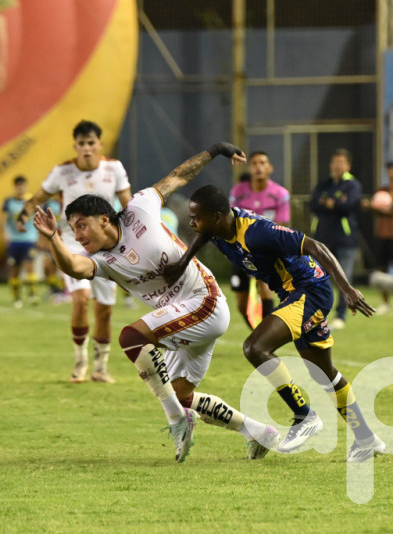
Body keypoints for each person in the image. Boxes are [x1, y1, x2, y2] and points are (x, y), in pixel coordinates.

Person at [32, 142, 280, 463]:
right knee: (182, 396)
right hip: (182, 319)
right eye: (72, 229)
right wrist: (53, 238)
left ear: (105, 219)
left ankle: (177, 420)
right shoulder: (105, 260)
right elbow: (73, 267)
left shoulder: (139, 208)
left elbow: (177, 177)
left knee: (131, 338)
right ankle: (258, 432)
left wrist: (215, 150)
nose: (77, 236)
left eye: (81, 225)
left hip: (204, 301)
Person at [165, 183, 385, 463]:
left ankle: (304, 416)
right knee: (324, 372)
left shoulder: (257, 232)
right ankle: (367, 439)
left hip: (309, 291)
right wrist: (183, 262)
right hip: (294, 293)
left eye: (197, 217)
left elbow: (315, 246)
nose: (192, 222)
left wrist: (348, 289)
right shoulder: (217, 229)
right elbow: (203, 235)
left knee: (254, 348)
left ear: (218, 216)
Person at [17, 120, 131, 384]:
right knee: (80, 300)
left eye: (91, 143)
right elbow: (38, 197)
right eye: (82, 144)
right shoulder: (63, 171)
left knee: (104, 310)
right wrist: (24, 213)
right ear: (75, 146)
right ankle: (80, 360)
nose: (87, 149)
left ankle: (100, 366)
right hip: (72, 244)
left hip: (105, 248)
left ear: (100, 145)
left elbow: (129, 204)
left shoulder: (113, 168)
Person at [229, 151, 290, 329]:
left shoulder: (280, 194)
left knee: (265, 287)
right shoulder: (238, 193)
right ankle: (258, 333)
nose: (258, 167)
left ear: (269, 168)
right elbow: (231, 223)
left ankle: (265, 337)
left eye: (263, 163)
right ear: (250, 168)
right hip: (240, 252)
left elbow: (279, 228)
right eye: (254, 163)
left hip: (266, 253)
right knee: (241, 305)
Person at [310, 148, 362, 330]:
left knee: (343, 279)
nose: (336, 165)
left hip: (344, 240)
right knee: (316, 277)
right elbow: (314, 204)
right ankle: (317, 313)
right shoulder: (324, 183)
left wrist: (331, 203)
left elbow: (347, 206)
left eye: (341, 162)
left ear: (348, 165)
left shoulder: (353, 185)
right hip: (322, 239)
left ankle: (341, 315)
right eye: (334, 162)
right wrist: (332, 203)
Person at [361, 161, 393, 315]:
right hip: (381, 234)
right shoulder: (382, 190)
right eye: (389, 170)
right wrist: (370, 207)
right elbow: (378, 210)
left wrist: (372, 207)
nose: (391, 173)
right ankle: (385, 302)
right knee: (382, 269)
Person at [0, 175, 40, 309]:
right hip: (14, 240)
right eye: (18, 186)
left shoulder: (32, 201)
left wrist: (41, 236)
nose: (21, 188)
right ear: (15, 187)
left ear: (26, 186)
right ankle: (16, 298)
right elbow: (2, 220)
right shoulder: (9, 202)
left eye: (23, 185)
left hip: (29, 239)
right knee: (15, 269)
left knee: (29, 266)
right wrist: (4, 234)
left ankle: (32, 295)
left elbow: (39, 217)